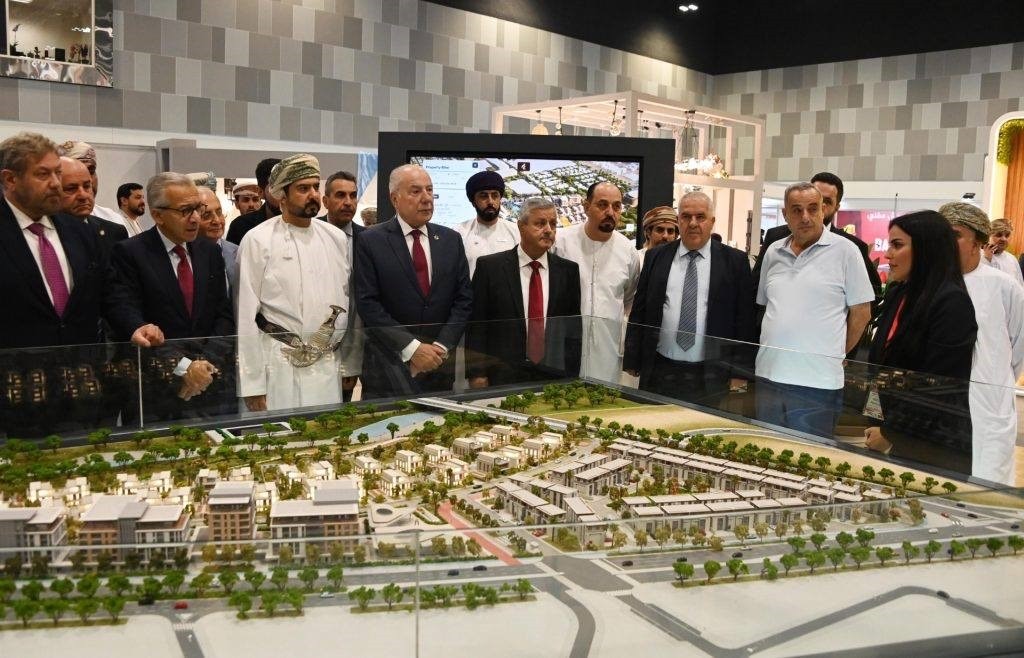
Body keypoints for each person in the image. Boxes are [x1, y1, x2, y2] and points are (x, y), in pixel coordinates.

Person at [0, 133, 127, 436]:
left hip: (81, 392)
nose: (56, 183)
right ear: (10, 179)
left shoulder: (80, 230)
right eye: (43, 174)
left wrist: (135, 327)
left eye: (57, 172)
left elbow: (108, 293)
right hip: (14, 398)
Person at [108, 172, 235, 421]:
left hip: (208, 384)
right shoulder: (130, 254)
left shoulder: (209, 251)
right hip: (156, 390)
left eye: (197, 208)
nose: (195, 218)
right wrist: (183, 367)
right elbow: (130, 320)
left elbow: (223, 314)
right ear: (158, 215)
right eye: (186, 210)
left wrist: (203, 366)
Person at [755, 182, 874, 437]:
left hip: (817, 383)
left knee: (809, 454)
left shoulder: (846, 251)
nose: (805, 217)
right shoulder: (774, 251)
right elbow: (766, 307)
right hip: (769, 376)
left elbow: (862, 312)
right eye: (797, 210)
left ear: (823, 211)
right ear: (785, 214)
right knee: (765, 450)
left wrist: (836, 353)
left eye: (812, 209)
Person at [864, 210, 977, 474]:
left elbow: (937, 383)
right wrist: (876, 420)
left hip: (931, 443)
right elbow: (882, 366)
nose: (888, 254)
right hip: (890, 431)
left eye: (897, 245)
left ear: (926, 249)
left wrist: (891, 432)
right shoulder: (899, 293)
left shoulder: (951, 302)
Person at [237, 154, 351, 412]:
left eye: (315, 187)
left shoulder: (335, 238)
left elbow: (346, 299)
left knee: (325, 431)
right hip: (278, 365)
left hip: (326, 366)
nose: (313, 195)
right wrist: (252, 384)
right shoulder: (258, 240)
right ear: (282, 196)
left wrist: (348, 364)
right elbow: (246, 315)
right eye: (303, 188)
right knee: (278, 433)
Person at [624, 192, 756, 405]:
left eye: (700, 217)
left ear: (712, 221)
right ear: (679, 220)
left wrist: (740, 372)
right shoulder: (656, 257)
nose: (693, 223)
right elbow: (640, 310)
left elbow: (744, 321)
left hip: (710, 372)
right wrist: (632, 358)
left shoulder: (735, 262)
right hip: (659, 368)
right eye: (686, 216)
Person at [353, 164, 473, 398]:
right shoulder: (371, 241)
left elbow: (463, 300)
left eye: (430, 190)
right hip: (388, 366)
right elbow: (368, 304)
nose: (426, 198)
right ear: (395, 199)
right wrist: (413, 348)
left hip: (439, 366)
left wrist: (440, 347)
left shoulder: (450, 240)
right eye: (416, 191)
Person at [939, 202, 1024, 484]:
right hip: (940, 402)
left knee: (987, 484)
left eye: (955, 235)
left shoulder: (1004, 286)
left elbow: (1018, 345)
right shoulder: (930, 283)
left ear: (977, 241)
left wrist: (994, 380)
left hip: (988, 404)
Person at [466, 197, 581, 387]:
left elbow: (573, 330)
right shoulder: (490, 267)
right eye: (540, 223)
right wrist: (477, 373)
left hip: (553, 375)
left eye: (553, 224)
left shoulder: (568, 271)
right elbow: (477, 325)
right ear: (521, 226)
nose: (548, 230)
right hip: (502, 374)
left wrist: (572, 375)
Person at [554, 181, 640, 384]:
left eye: (616, 206)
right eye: (602, 205)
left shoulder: (628, 251)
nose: (610, 212)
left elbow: (628, 299)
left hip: (607, 353)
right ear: (586, 207)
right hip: (562, 351)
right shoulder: (561, 243)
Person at [753, 172, 881, 302]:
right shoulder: (775, 238)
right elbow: (756, 288)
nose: (816, 204)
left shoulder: (852, 247)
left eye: (826, 201)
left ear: (836, 207)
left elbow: (871, 296)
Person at [320, 170, 364, 401]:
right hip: (311, 342)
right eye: (340, 195)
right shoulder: (309, 234)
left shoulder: (368, 239)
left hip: (352, 345)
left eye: (353, 195)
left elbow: (359, 306)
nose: (348, 202)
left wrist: (350, 362)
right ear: (325, 201)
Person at [59, 156, 128, 254]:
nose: (83, 195)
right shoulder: (47, 236)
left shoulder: (115, 232)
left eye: (87, 186)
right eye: (71, 189)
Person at [455, 170, 519, 276]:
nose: (490, 201)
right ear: (473, 202)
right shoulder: (459, 233)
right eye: (484, 196)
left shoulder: (516, 232)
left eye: (495, 195)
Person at [58, 141, 130, 229]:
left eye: (91, 171)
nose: (88, 180)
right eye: (71, 188)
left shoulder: (112, 219)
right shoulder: (47, 225)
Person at [193, 183, 239, 304]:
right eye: (206, 215)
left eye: (219, 212)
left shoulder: (238, 252)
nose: (217, 221)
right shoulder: (185, 257)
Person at [225, 158, 282, 245]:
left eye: (287, 187)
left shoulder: (302, 221)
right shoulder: (240, 226)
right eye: (276, 189)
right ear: (261, 192)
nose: (284, 195)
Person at [983, 218, 1024, 287]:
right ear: (988, 236)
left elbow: (1020, 285)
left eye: (1007, 235)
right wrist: (987, 260)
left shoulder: (1012, 259)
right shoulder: (978, 256)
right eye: (999, 235)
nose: (1003, 239)